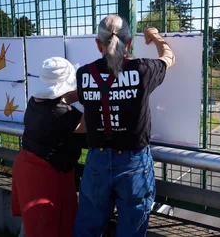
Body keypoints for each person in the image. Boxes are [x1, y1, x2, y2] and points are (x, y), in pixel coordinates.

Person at [73, 15, 175, 237]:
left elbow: (85, 100)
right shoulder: (143, 70)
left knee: (87, 227)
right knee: (132, 229)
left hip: (96, 161)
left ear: (98, 44)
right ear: (128, 43)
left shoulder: (84, 74)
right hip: (133, 164)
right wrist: (155, 36)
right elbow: (169, 57)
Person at [12, 57, 86, 237]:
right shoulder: (64, 114)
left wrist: (81, 91)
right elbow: (91, 124)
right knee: (45, 228)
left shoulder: (34, 102)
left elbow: (65, 97)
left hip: (28, 172)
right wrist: (98, 92)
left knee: (31, 226)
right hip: (45, 179)